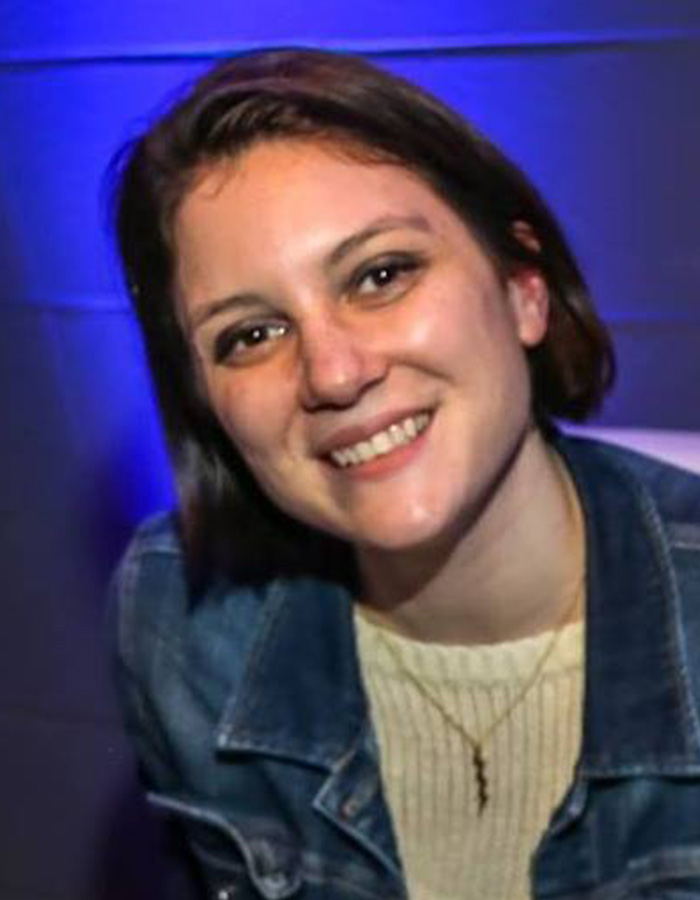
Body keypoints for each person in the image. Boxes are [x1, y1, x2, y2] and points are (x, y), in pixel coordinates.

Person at [110, 48, 700, 900]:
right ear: (207, 403)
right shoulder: (181, 623)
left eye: (381, 276)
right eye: (252, 335)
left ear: (524, 288)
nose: (334, 373)